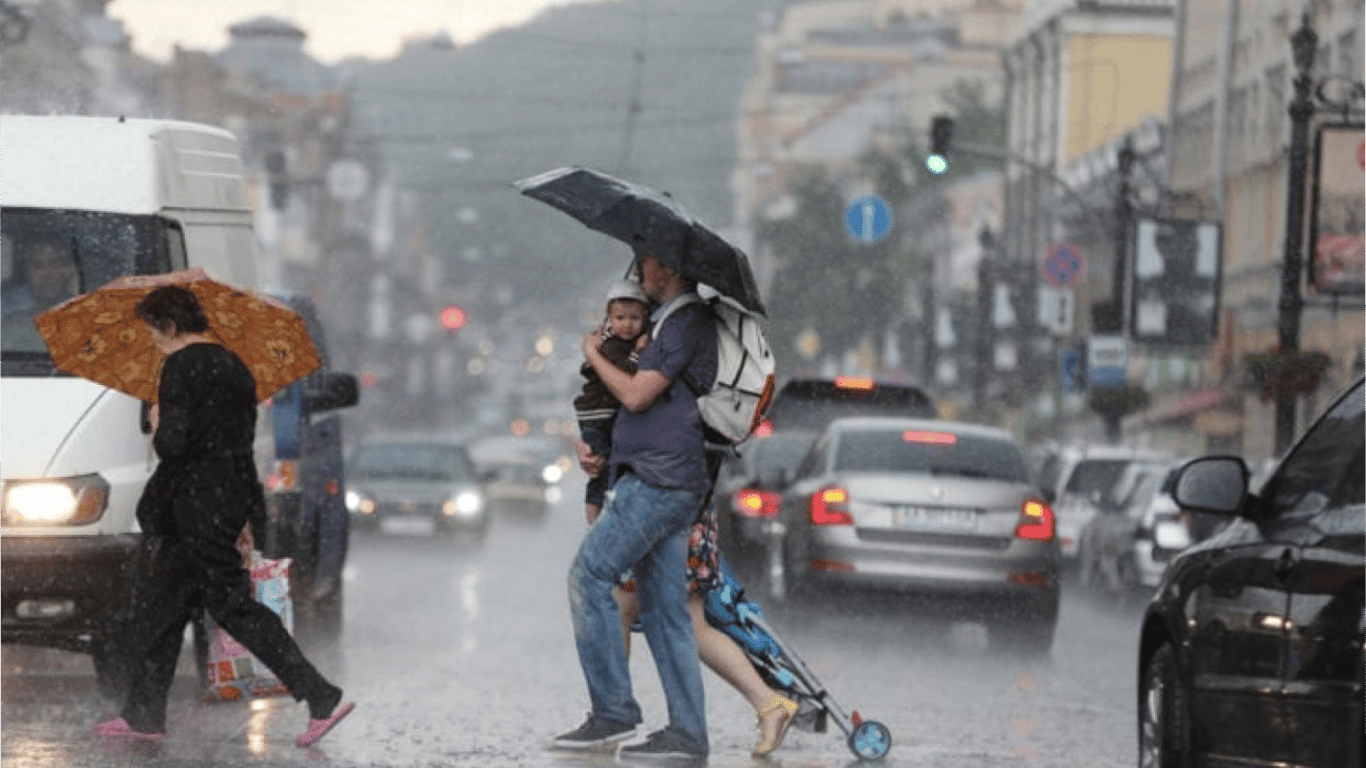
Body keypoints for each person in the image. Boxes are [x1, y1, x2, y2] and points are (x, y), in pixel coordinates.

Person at [93, 285, 355, 747]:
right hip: (222, 499)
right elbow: (239, 446)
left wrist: (158, 424)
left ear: (170, 325)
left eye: (155, 332)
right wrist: (244, 516)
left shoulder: (179, 366)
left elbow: (176, 447)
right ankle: (144, 715)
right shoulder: (237, 368)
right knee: (163, 608)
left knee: (231, 605)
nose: (154, 341)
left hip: (193, 503)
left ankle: (320, 696)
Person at [553, 249, 717, 760]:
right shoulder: (665, 321)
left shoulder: (685, 320)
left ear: (666, 268)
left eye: (645, 261)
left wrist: (591, 350)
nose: (638, 270)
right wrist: (597, 450)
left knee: (589, 574)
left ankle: (614, 710)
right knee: (667, 612)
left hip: (660, 479)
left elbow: (638, 395)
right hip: (657, 475)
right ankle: (687, 735)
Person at [614, 509, 799, 758]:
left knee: (617, 610)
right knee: (691, 622)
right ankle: (768, 703)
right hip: (684, 514)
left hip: (661, 513)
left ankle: (613, 716)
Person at [572, 278, 651, 524]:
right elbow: (628, 377)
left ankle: (598, 521)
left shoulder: (611, 342)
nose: (627, 325)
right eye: (620, 318)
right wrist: (641, 352)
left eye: (634, 319)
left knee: (605, 469)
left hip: (604, 416)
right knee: (602, 468)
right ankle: (594, 524)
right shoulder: (610, 345)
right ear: (609, 317)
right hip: (598, 416)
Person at [2, 234, 78, 319]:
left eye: (53, 264)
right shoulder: (7, 306)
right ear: (27, 272)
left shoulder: (77, 303)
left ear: (65, 270)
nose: (47, 273)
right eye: (37, 266)